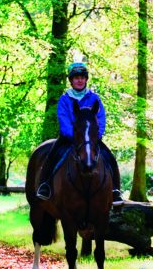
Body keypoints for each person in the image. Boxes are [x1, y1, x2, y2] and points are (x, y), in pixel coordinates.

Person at [36, 61, 123, 203]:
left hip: (91, 139)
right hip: (69, 138)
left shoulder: (94, 98)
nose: (80, 80)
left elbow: (100, 119)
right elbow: (63, 121)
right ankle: (45, 185)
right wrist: (76, 137)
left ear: (86, 79)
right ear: (71, 80)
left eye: (82, 77)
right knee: (52, 155)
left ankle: (115, 191)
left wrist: (96, 135)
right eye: (76, 77)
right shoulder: (64, 99)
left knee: (109, 157)